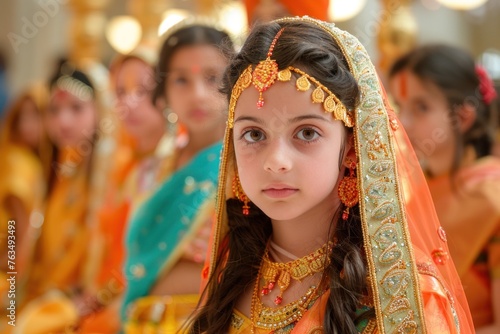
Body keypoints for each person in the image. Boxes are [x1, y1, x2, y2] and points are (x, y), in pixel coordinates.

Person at [187, 17, 474, 333]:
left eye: (306, 132)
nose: (276, 162)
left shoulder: (402, 297)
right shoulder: (230, 273)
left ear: (352, 145)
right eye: (254, 134)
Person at [120, 21, 235, 333]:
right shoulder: (147, 174)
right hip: (140, 322)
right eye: (181, 80)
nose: (198, 94)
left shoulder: (243, 172)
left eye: (212, 78)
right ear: (164, 91)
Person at [389, 44, 500, 333]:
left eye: (421, 107)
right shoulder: (406, 189)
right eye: (399, 107)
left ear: (462, 117)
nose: (403, 122)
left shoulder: (493, 194)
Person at [76, 45, 178, 333]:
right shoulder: (124, 168)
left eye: (143, 91)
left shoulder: (177, 169)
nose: (130, 103)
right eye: (121, 92)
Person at [16, 63, 113, 333]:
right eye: (54, 110)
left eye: (77, 108)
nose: (63, 121)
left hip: (83, 310)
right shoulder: (53, 174)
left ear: (100, 111)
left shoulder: (111, 180)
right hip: (38, 299)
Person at [0, 84, 47, 334]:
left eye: (36, 115)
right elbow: (15, 227)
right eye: (22, 116)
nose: (28, 124)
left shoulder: (28, 159)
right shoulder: (19, 161)